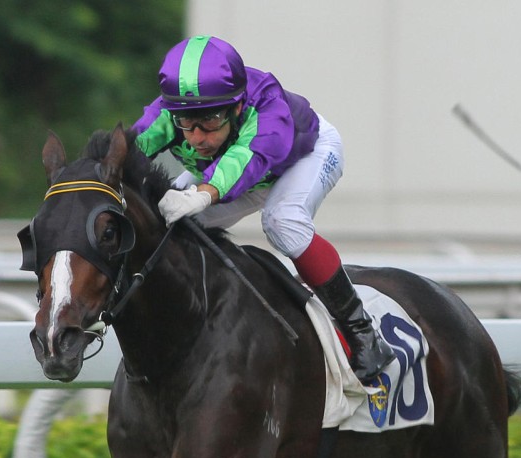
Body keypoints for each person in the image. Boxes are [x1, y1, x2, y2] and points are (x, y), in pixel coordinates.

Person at [132, 35, 393, 385]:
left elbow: (246, 159)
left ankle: (362, 331)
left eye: (209, 121)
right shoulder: (170, 113)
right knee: (165, 223)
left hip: (302, 156)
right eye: (185, 122)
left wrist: (206, 191)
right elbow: (127, 151)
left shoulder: (266, 106)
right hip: (235, 168)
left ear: (237, 107)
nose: (196, 137)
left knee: (282, 221)